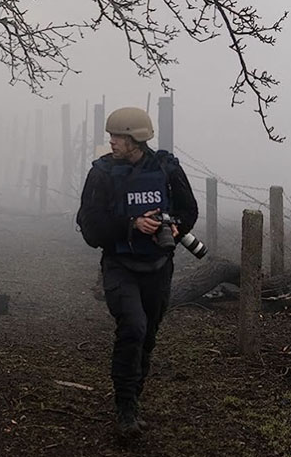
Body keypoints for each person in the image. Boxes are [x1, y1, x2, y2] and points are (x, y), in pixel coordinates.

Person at [75, 106, 199, 437]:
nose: (111, 142)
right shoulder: (101, 174)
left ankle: (134, 398)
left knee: (148, 336)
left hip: (158, 267)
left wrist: (174, 228)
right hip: (119, 265)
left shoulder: (166, 168)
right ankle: (124, 408)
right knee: (133, 327)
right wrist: (131, 224)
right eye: (111, 136)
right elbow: (89, 227)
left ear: (136, 139)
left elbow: (189, 210)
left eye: (118, 136)